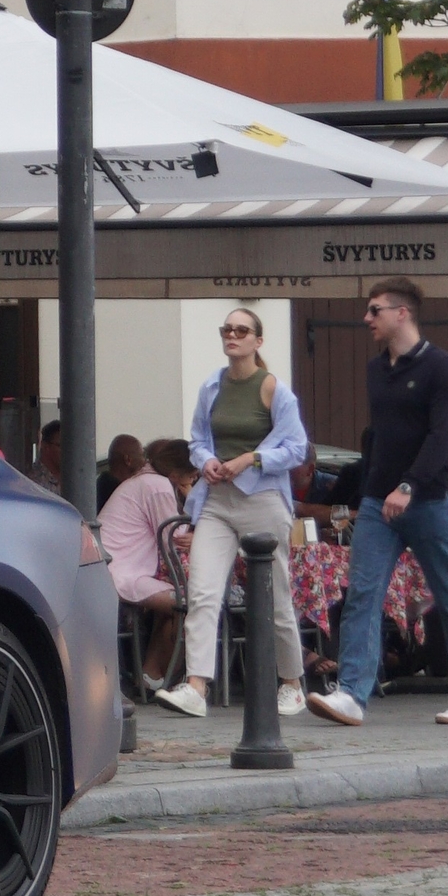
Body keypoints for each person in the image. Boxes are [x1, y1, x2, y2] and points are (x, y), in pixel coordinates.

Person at [310, 274, 448, 728]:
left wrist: (409, 485)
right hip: (377, 504)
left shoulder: (442, 368)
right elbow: (380, 437)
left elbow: (440, 437)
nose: (366, 318)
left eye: (375, 310)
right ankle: (353, 694)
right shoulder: (377, 369)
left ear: (402, 313)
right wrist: (370, 489)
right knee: (363, 595)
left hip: (428, 501)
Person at [155, 304, 308, 721]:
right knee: (202, 591)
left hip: (261, 500)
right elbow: (198, 439)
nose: (233, 335)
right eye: (227, 329)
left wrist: (251, 459)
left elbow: (295, 448)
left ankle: (292, 683)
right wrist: (205, 460)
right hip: (218, 500)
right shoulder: (211, 386)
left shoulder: (275, 389)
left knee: (275, 594)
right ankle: (197, 686)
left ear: (258, 341)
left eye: (242, 330)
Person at [96, 431, 182, 690]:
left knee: (175, 601)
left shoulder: (141, 483)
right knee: (188, 603)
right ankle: (164, 677)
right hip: (121, 574)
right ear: (177, 471)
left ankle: (151, 674)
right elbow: (172, 537)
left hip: (115, 569)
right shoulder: (157, 486)